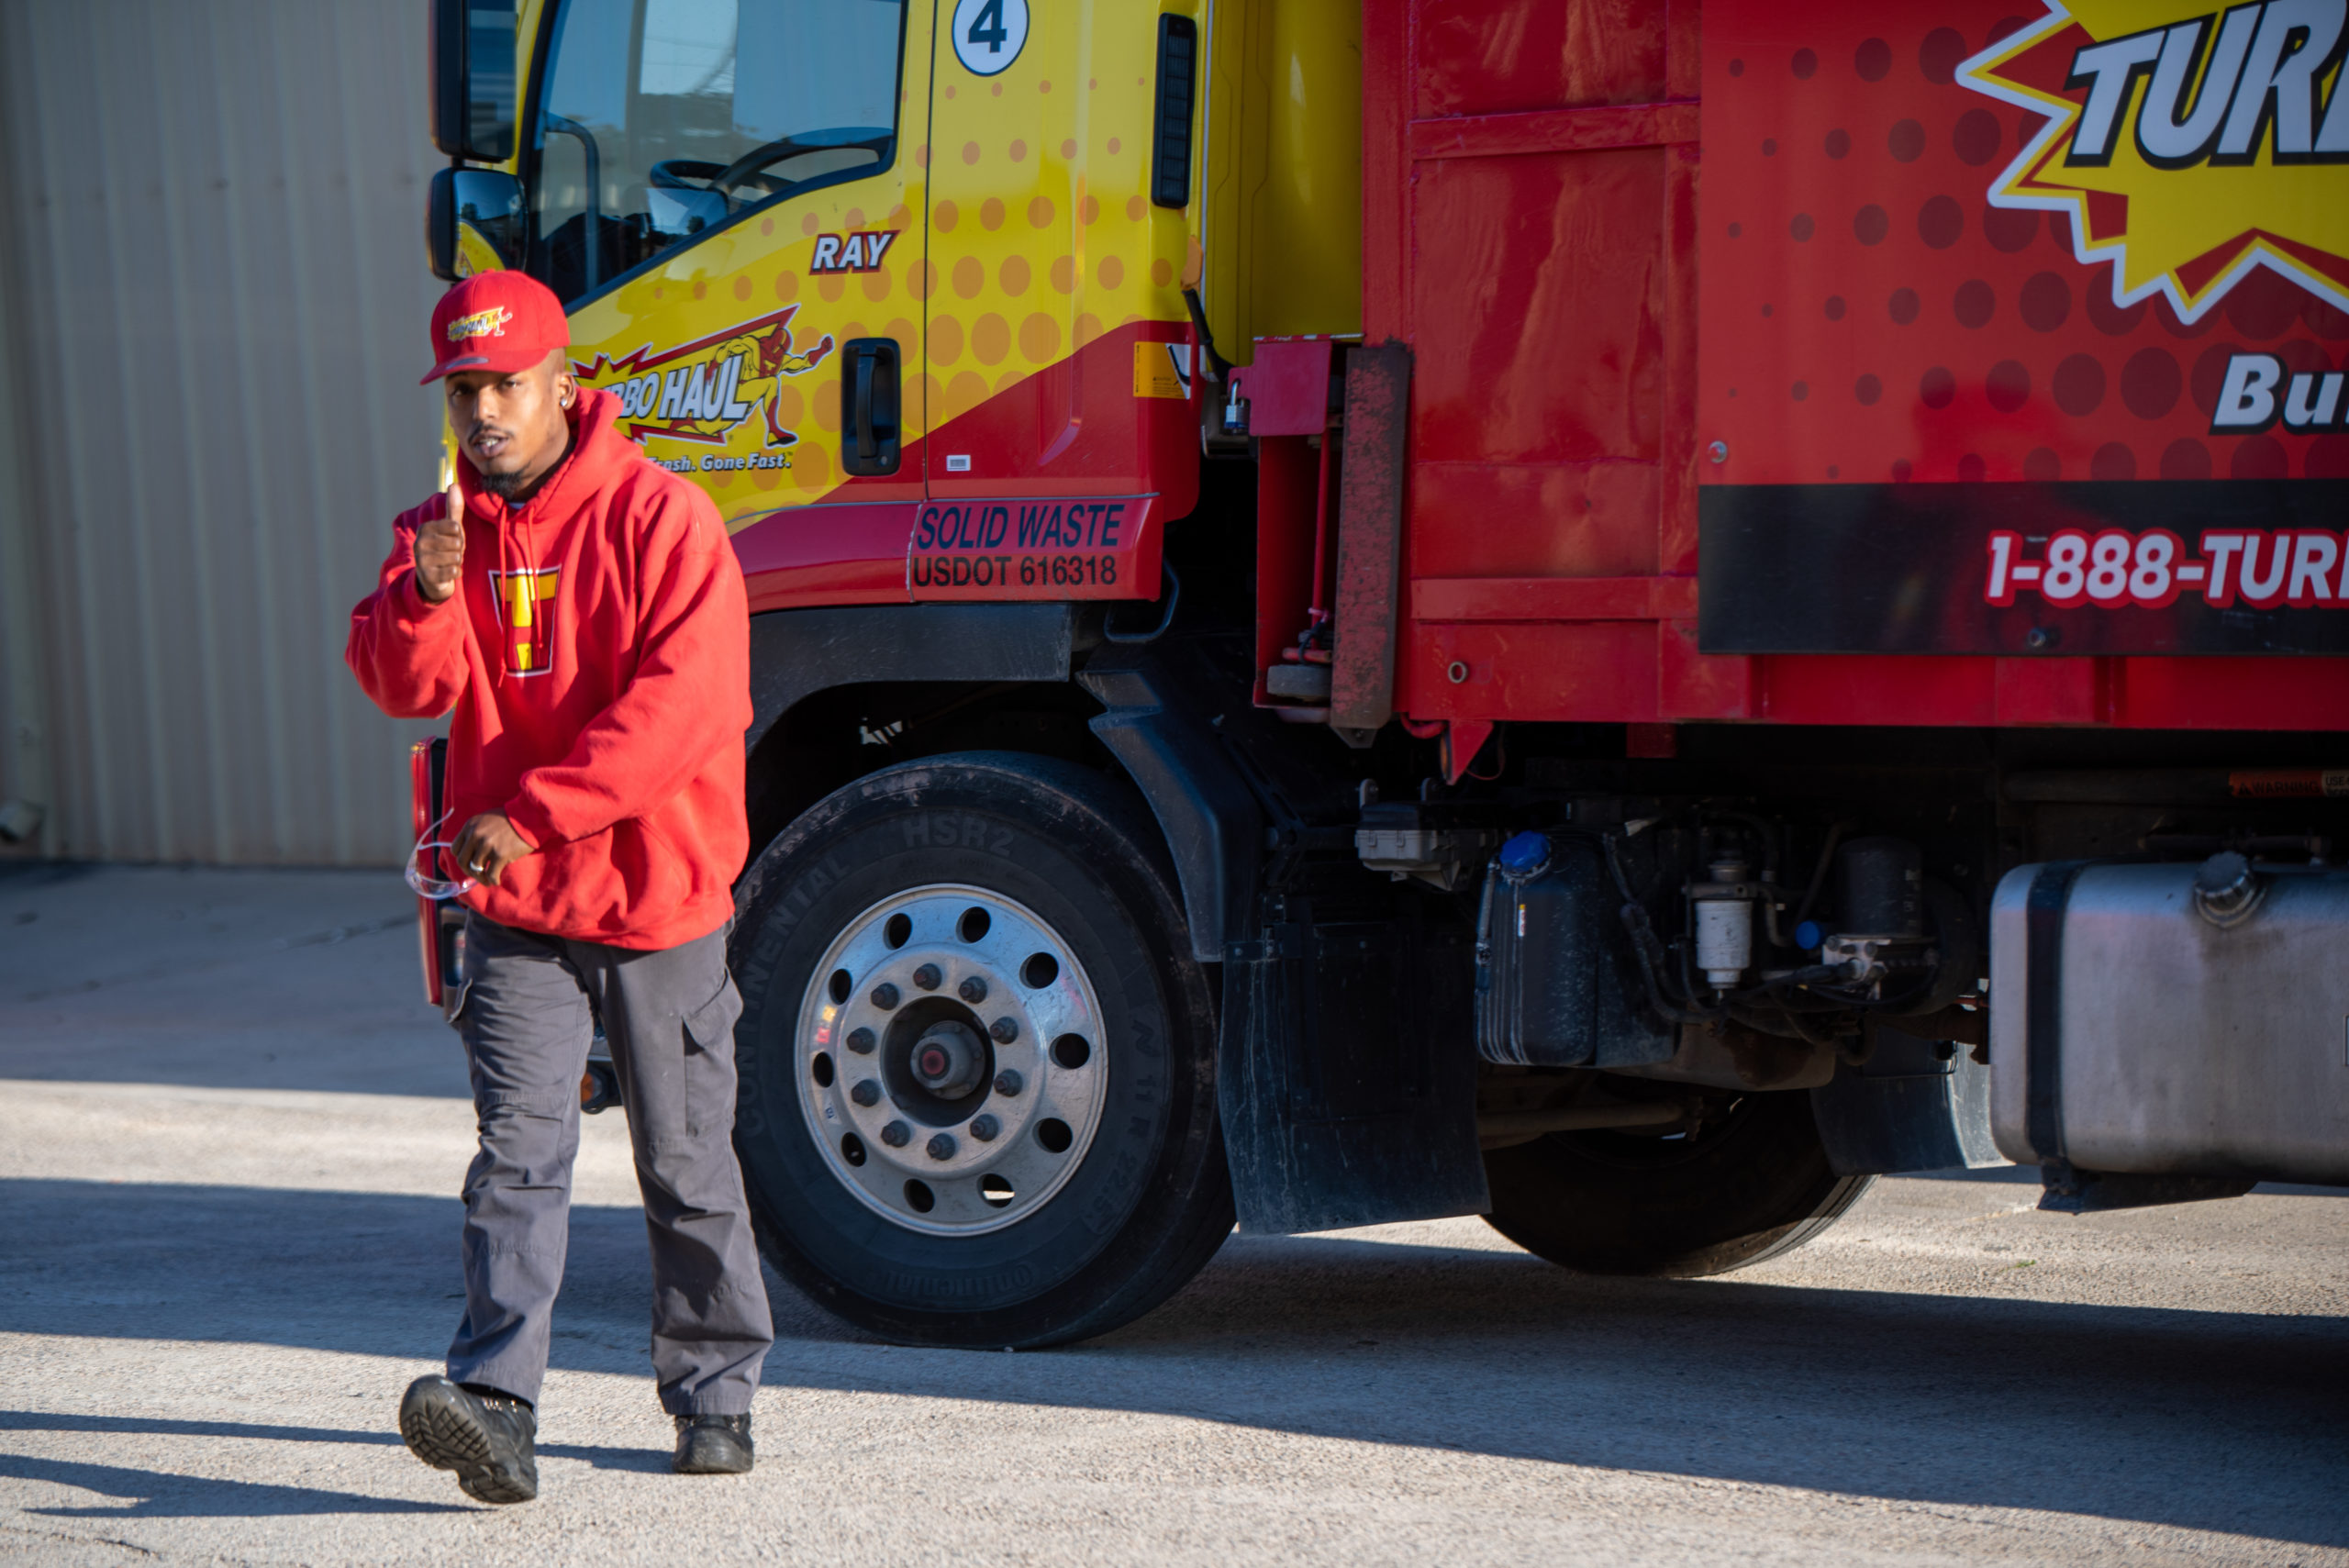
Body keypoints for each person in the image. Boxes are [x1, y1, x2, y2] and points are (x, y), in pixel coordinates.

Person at [346, 270, 773, 1504]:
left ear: (565, 383)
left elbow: (682, 713)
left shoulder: (662, 518)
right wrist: (424, 592)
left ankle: (715, 1392)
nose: (487, 412)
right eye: (467, 389)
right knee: (515, 1158)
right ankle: (495, 1405)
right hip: (522, 910)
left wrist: (529, 816)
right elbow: (400, 686)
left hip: (656, 895)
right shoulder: (441, 528)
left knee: (686, 1161)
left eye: (508, 385)